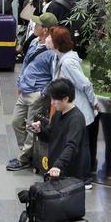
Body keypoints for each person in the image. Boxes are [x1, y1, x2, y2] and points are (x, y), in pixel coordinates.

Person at [45, 26, 98, 183]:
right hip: (69, 109)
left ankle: (86, 178)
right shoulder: (60, 59)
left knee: (82, 146)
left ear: (57, 43)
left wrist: (94, 102)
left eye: (51, 38)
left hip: (78, 110)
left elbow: (85, 84)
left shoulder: (68, 63)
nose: (47, 39)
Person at [7, 16, 56, 172]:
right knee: (16, 122)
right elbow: (26, 63)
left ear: (46, 29)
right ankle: (27, 153)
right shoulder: (34, 42)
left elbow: (55, 76)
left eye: (38, 25)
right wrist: (20, 81)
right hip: (25, 90)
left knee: (31, 126)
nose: (34, 26)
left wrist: (43, 93)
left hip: (37, 93)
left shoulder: (51, 51)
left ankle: (24, 158)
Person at [31, 78, 89, 182]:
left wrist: (58, 165)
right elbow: (50, 137)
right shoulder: (58, 113)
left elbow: (72, 146)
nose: (52, 103)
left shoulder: (76, 119)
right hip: (54, 170)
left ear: (66, 99)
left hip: (69, 175)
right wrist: (39, 130)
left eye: (55, 99)